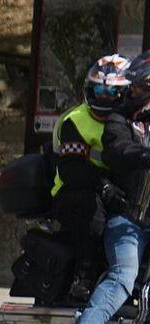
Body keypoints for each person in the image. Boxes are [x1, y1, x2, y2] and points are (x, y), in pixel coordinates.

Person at [60, 52, 150, 324]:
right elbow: (117, 151)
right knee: (123, 275)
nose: (109, 96)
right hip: (126, 215)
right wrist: (145, 154)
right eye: (141, 87)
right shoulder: (118, 121)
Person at [51, 54, 130, 298]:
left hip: (118, 189)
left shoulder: (133, 119)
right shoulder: (75, 121)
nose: (103, 96)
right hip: (75, 190)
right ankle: (84, 277)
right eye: (98, 89)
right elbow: (71, 168)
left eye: (111, 91)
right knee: (91, 209)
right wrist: (104, 186)